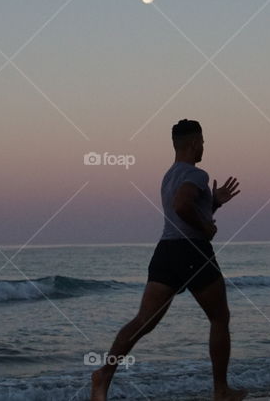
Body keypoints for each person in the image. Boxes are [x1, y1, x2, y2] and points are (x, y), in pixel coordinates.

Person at [91, 119, 247, 401]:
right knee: (220, 317)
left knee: (143, 321)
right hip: (192, 251)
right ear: (193, 143)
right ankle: (221, 391)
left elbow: (182, 210)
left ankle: (103, 375)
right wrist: (207, 228)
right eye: (202, 141)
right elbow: (182, 206)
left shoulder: (168, 176)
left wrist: (215, 203)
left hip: (166, 252)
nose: (203, 147)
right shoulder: (197, 174)